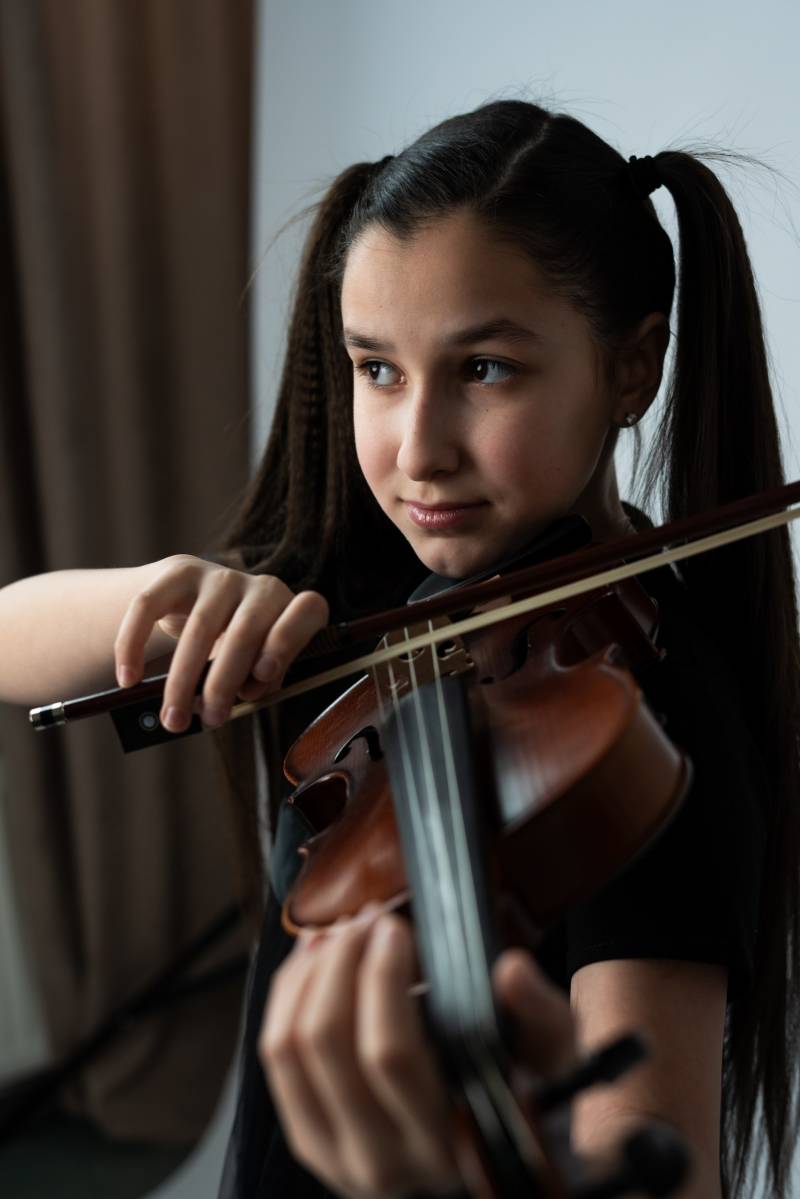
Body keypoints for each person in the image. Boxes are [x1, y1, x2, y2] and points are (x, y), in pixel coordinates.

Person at [1, 98, 798, 1198]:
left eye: (485, 370)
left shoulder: (649, 713)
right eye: (377, 369)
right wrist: (163, 601)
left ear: (632, 368)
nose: (418, 450)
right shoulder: (354, 592)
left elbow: (655, 1149)